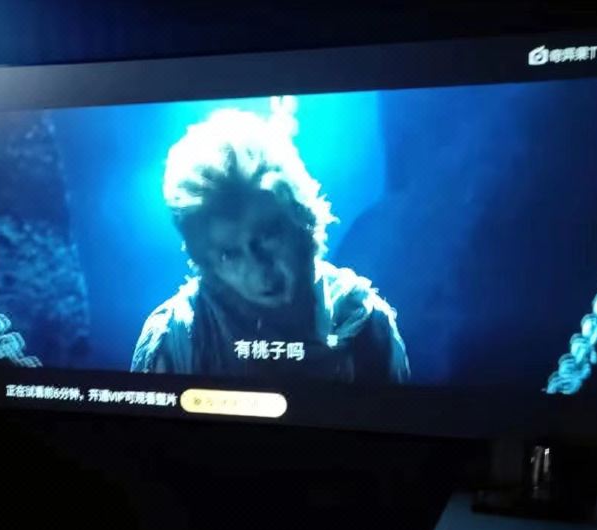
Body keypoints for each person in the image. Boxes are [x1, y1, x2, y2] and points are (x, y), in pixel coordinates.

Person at [131, 108, 409, 384]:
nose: (258, 268)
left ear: (300, 218)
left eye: (268, 235)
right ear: (207, 263)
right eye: (230, 255)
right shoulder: (176, 338)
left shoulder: (363, 320)